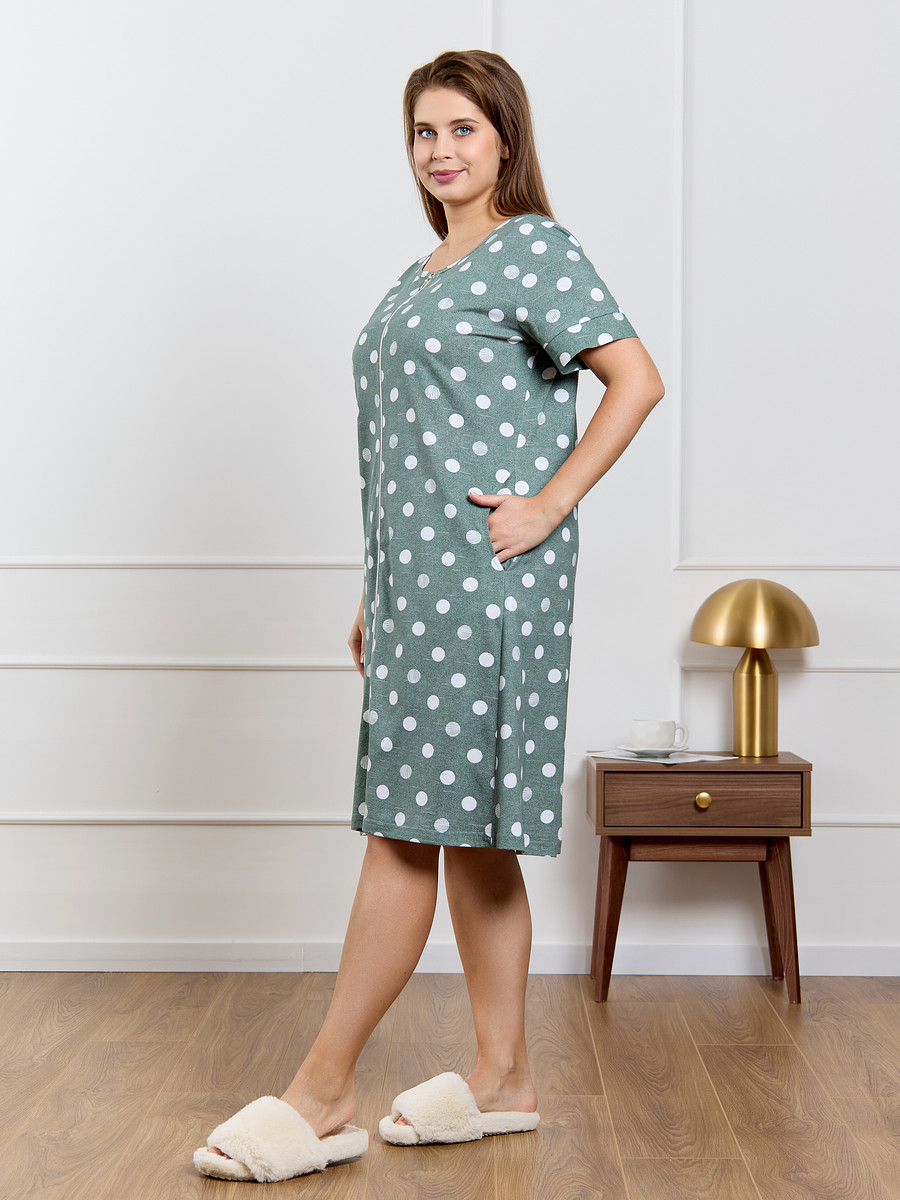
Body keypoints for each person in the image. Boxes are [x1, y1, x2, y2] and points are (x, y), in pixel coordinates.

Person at [193, 48, 663, 1183]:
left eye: (463, 129)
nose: (440, 150)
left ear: (506, 139)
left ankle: (323, 1088)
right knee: (472, 838)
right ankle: (506, 1077)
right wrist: (380, 583)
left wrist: (551, 502)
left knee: (408, 830)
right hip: (420, 586)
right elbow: (406, 452)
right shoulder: (422, 273)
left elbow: (637, 378)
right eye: (423, 132)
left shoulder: (533, 248)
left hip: (489, 583)